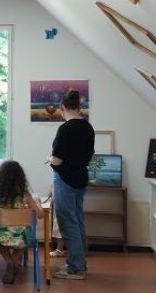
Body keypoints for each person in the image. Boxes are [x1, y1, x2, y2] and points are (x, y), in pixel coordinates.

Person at [49, 89, 95, 280]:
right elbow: (88, 156)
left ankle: (76, 267)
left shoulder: (65, 128)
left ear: (62, 108)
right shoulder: (88, 127)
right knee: (77, 220)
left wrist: (50, 159)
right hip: (81, 179)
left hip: (65, 180)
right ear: (79, 107)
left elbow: (57, 160)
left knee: (68, 222)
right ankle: (80, 262)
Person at [0, 161, 43, 284]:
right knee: (26, 238)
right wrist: (37, 204)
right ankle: (15, 261)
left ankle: (9, 261)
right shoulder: (25, 194)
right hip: (22, 236)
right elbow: (40, 215)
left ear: (1, 177)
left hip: (1, 236)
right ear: (21, 177)